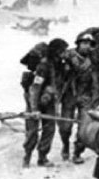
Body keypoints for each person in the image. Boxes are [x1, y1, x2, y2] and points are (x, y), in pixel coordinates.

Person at [21, 39, 67, 167]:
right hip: (34, 99)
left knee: (50, 129)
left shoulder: (60, 65)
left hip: (48, 100)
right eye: (62, 51)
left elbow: (58, 85)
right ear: (56, 51)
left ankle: (42, 157)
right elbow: (35, 88)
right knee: (32, 131)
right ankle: (27, 157)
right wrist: (34, 109)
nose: (64, 54)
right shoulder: (44, 66)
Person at [60, 34, 99, 164]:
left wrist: (96, 96)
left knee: (84, 127)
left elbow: (97, 77)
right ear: (78, 44)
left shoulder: (93, 59)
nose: (87, 46)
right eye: (84, 43)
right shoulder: (68, 55)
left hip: (85, 95)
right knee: (65, 127)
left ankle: (77, 152)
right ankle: (65, 145)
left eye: (89, 44)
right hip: (69, 95)